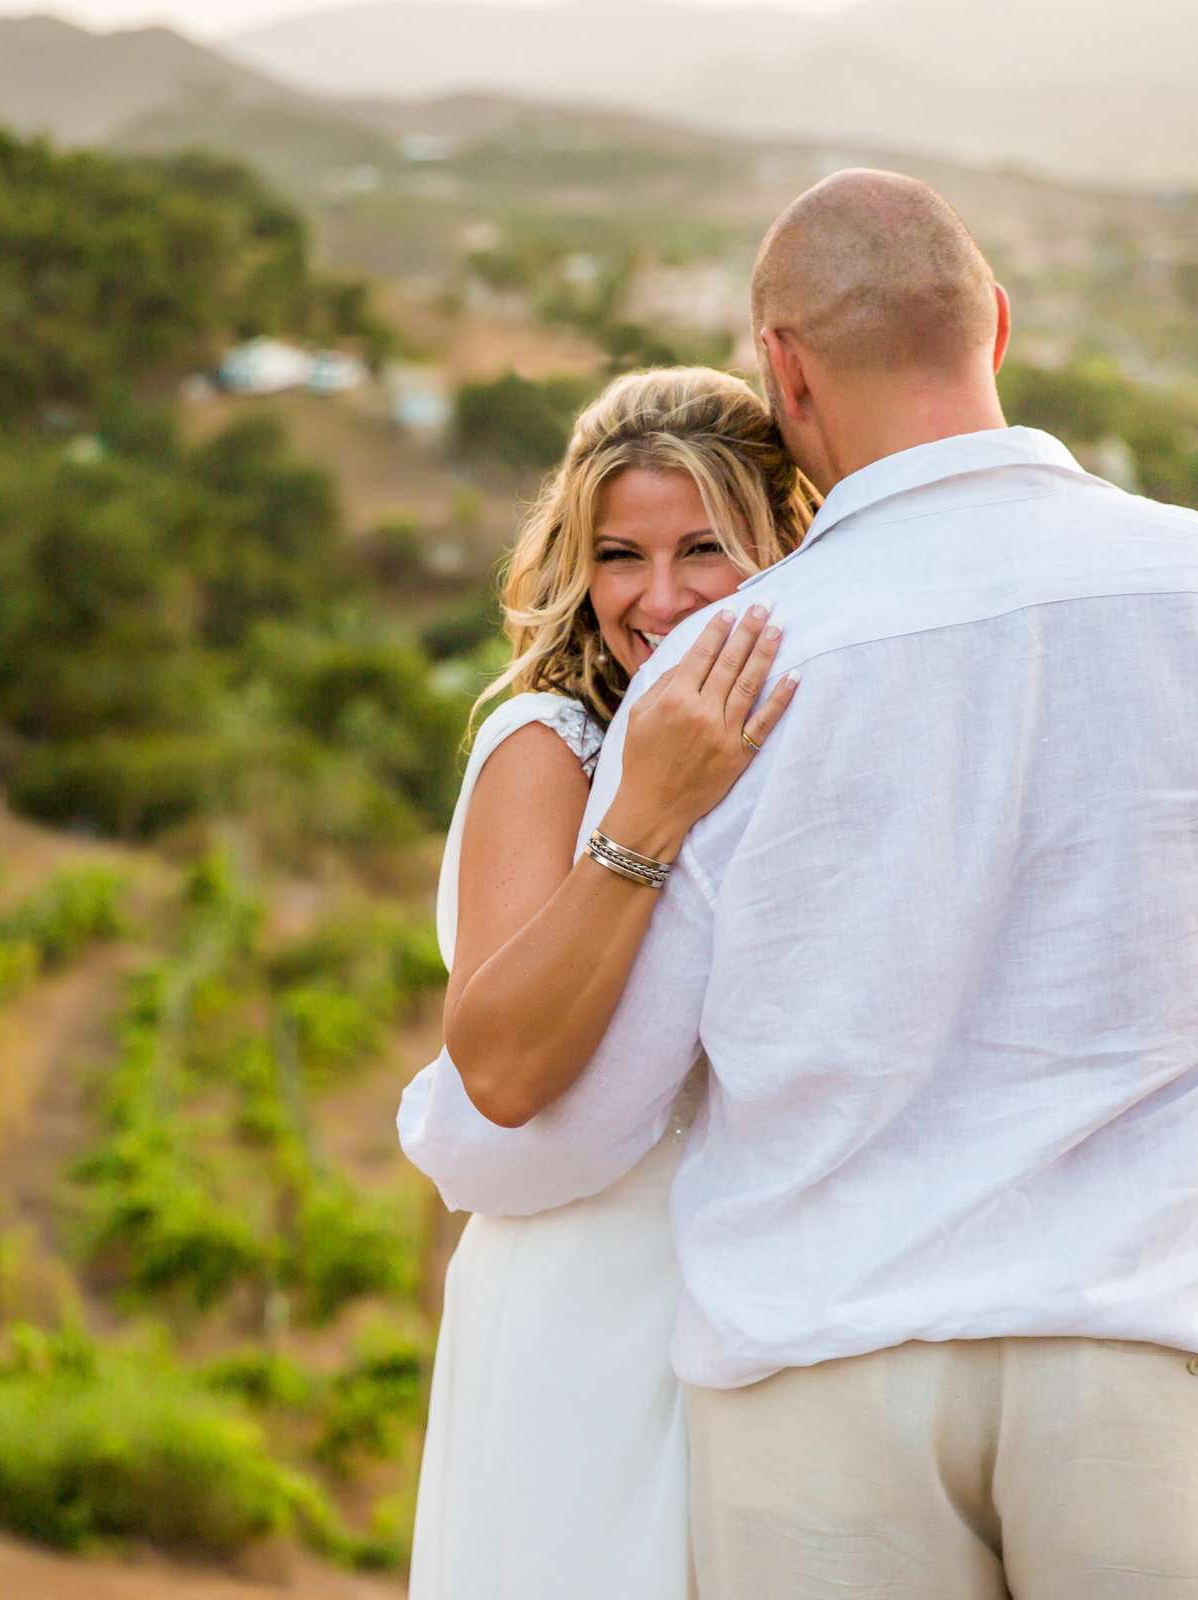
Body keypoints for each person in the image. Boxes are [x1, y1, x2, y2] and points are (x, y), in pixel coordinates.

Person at [401, 170, 1198, 1599]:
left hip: (820, 1391)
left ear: (785, 368)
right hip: (1156, 1351)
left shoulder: (725, 678)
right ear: (995, 325)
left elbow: (608, 1094)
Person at [404, 366, 816, 1600]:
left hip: (775, 1284)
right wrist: (652, 807)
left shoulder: (805, 715)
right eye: (619, 554)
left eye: (705, 547)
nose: (660, 596)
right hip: (589, 1293)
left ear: (783, 540)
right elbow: (507, 1064)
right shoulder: (548, 743)